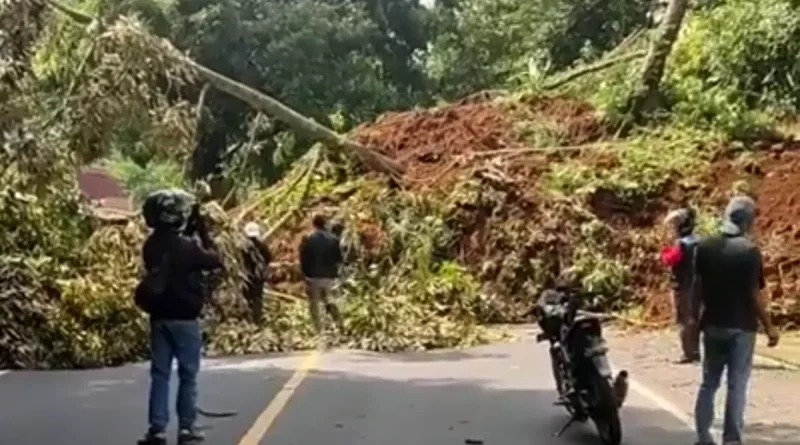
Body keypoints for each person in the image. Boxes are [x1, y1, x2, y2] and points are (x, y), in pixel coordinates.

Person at [691, 195, 780, 445]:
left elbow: (696, 288)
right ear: (748, 222)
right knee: (736, 384)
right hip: (742, 328)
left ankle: (702, 435)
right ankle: (731, 439)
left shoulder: (706, 247)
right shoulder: (749, 251)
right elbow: (754, 294)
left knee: (709, 381)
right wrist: (769, 327)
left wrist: (693, 320)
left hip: (712, 324)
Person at [138, 194, 223, 445]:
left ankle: (157, 430)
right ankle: (186, 428)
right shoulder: (189, 246)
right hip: (185, 318)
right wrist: (203, 231)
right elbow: (214, 260)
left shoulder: (150, 246)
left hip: (159, 317)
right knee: (188, 375)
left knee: (160, 375)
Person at [661, 206, 701, 364]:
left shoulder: (681, 244)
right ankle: (696, 351)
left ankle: (688, 353)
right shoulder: (699, 241)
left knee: (683, 320)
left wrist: (665, 250)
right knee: (695, 318)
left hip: (682, 286)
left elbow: (669, 260)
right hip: (699, 285)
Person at [298, 213, 344, 333]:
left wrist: (305, 274)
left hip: (313, 277)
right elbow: (339, 259)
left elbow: (303, 258)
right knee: (330, 301)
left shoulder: (307, 239)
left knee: (314, 304)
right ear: (324, 224)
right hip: (329, 277)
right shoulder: (333, 240)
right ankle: (338, 324)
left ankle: (318, 330)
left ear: (313, 225)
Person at [242, 222, 271, 324]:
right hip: (259, 276)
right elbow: (269, 258)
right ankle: (257, 319)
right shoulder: (262, 245)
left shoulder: (243, 246)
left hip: (246, 276)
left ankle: (248, 318)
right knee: (258, 297)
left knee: (247, 296)